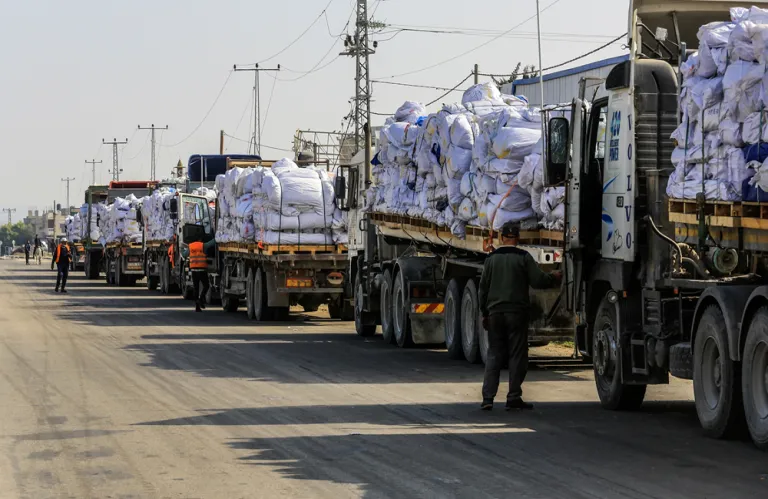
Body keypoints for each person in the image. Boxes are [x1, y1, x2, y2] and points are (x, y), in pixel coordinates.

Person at [478, 222, 562, 411]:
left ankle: (488, 398)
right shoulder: (523, 257)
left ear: (501, 238)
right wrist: (554, 277)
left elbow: (482, 289)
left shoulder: (491, 259)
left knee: (494, 354)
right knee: (517, 354)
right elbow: (538, 280)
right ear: (518, 238)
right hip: (516, 313)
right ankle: (513, 396)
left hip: (495, 313)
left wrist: (484, 313)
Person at [181, 237, 214, 312]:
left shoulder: (191, 246)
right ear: (200, 239)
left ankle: (197, 307)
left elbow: (184, 254)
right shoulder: (203, 245)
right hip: (202, 270)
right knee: (206, 286)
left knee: (196, 288)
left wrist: (182, 248)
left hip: (194, 270)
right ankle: (201, 298)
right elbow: (212, 243)